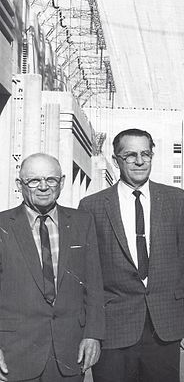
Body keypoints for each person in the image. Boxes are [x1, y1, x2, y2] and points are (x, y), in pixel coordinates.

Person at [79, 128, 184, 382]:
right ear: (116, 158)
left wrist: (182, 320)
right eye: (130, 155)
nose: (139, 161)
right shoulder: (93, 206)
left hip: (164, 327)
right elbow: (89, 274)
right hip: (114, 328)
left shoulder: (175, 199)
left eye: (145, 154)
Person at [0, 153, 104, 382]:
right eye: (34, 181)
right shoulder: (2, 225)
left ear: (62, 182)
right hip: (14, 354)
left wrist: (93, 335)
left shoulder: (82, 222)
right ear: (19, 185)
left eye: (51, 180)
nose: (44, 187)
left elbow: (94, 285)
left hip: (69, 352)